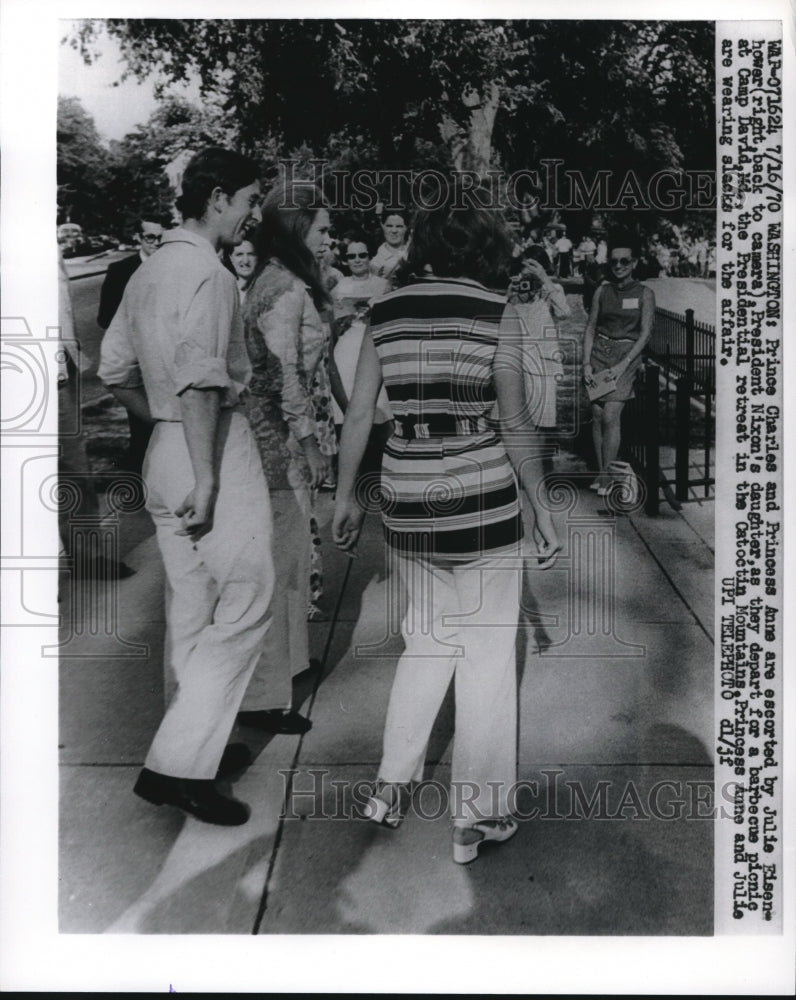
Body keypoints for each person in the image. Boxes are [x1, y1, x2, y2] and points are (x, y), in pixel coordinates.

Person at [333, 189, 560, 865]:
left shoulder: (387, 312)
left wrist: (346, 493)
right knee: (488, 657)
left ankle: (390, 787)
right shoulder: (502, 314)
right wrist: (542, 502)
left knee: (426, 643)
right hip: (481, 491)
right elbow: (516, 423)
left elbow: (358, 415)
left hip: (405, 489)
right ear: (487, 248)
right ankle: (478, 820)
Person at [98, 147, 272, 825]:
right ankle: (177, 761)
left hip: (166, 447)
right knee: (249, 599)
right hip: (212, 450)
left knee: (192, 606)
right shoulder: (210, 272)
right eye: (250, 199)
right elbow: (204, 379)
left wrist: (165, 428)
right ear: (219, 196)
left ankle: (193, 750)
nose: (252, 214)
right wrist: (203, 470)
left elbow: (115, 369)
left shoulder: (149, 270)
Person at [235, 181, 334, 735]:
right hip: (277, 442)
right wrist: (309, 441)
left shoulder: (277, 279)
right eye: (321, 228)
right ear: (298, 228)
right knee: (279, 566)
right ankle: (267, 697)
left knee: (295, 559)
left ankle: (292, 666)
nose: (329, 238)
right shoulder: (287, 287)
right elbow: (283, 375)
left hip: (281, 436)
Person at [582, 233, 655, 495]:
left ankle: (606, 478)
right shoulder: (602, 290)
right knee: (598, 415)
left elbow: (645, 333)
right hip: (600, 355)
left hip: (626, 357)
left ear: (634, 263)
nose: (619, 266)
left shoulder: (645, 293)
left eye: (625, 261)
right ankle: (602, 474)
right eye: (614, 261)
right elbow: (590, 327)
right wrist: (585, 364)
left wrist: (625, 364)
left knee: (612, 414)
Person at [97, 218, 164, 473]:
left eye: (160, 238)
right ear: (138, 238)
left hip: (165, 358)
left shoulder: (169, 267)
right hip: (136, 360)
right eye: (150, 238)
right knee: (141, 428)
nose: (156, 243)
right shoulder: (120, 270)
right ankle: (138, 487)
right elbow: (104, 317)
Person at [370, 210, 409, 284]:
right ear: (382, 225)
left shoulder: (415, 254)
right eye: (389, 226)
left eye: (399, 226)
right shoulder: (375, 263)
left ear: (406, 227)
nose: (394, 230)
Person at [229, 238, 258, 303]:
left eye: (251, 254)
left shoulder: (266, 288)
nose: (246, 261)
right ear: (231, 258)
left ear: (257, 258)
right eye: (239, 254)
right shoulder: (226, 289)